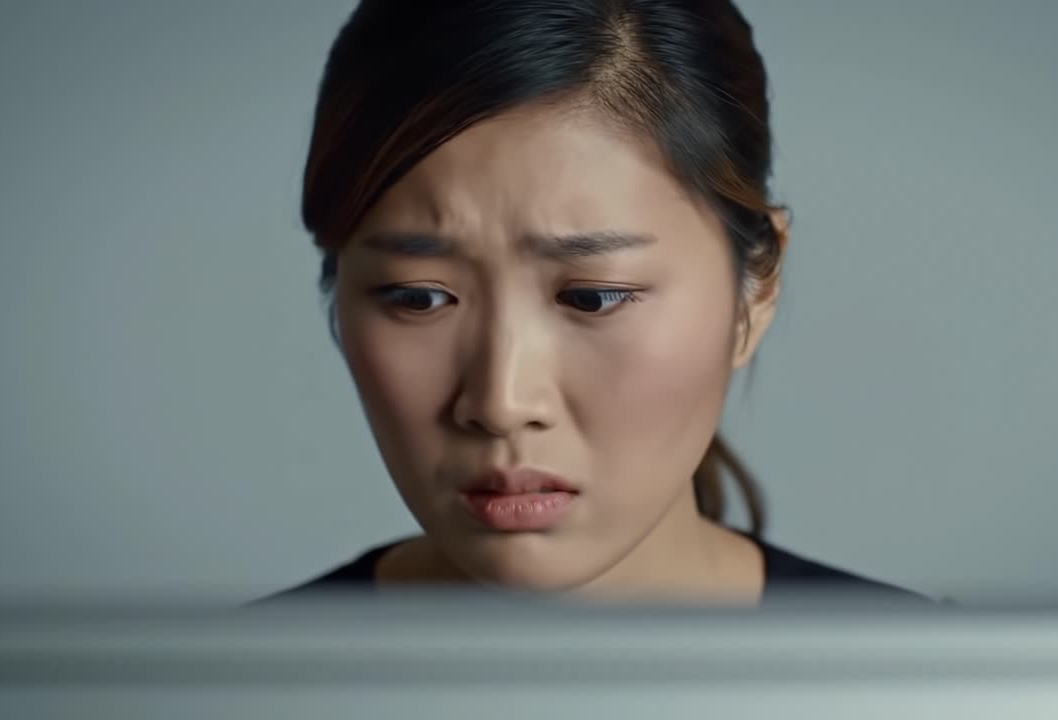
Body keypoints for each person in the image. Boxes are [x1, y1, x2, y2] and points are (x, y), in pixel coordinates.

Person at [268, 0, 918, 606]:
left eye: (593, 297)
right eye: (419, 297)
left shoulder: (937, 688)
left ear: (758, 286)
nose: (501, 404)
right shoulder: (216, 691)